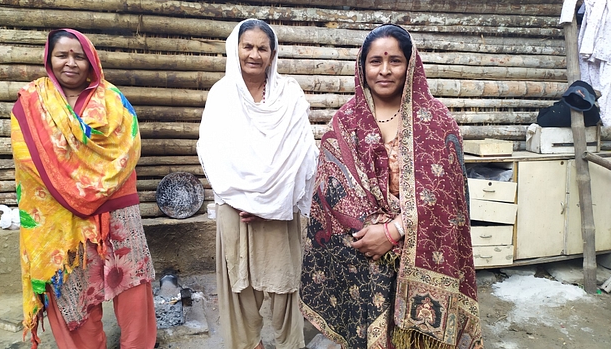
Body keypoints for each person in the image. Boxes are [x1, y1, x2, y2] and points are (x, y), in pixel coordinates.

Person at [299, 25, 483, 349]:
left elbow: (449, 198)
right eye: (375, 61)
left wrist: (395, 231)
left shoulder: (438, 122)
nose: (384, 70)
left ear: (410, 65)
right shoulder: (345, 122)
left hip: (422, 256)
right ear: (362, 67)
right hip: (363, 255)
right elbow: (331, 189)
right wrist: (372, 233)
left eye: (395, 61)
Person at [11, 29, 156, 349]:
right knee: (73, 297)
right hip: (61, 220)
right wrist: (73, 190)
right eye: (62, 55)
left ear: (91, 61)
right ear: (49, 59)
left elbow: (129, 147)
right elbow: (26, 158)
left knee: (132, 289)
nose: (71, 63)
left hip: (116, 211)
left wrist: (85, 186)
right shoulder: (32, 103)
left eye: (79, 56)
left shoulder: (113, 100)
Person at [197, 19, 318, 349]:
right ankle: (249, 345)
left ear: (273, 53)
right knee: (239, 289)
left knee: (284, 286)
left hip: (279, 210)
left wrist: (270, 204)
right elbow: (213, 153)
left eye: (262, 48)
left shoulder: (288, 94)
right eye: (247, 46)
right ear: (234, 49)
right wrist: (245, 201)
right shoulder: (221, 95)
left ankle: (289, 344)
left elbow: (302, 155)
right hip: (235, 209)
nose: (254, 54)